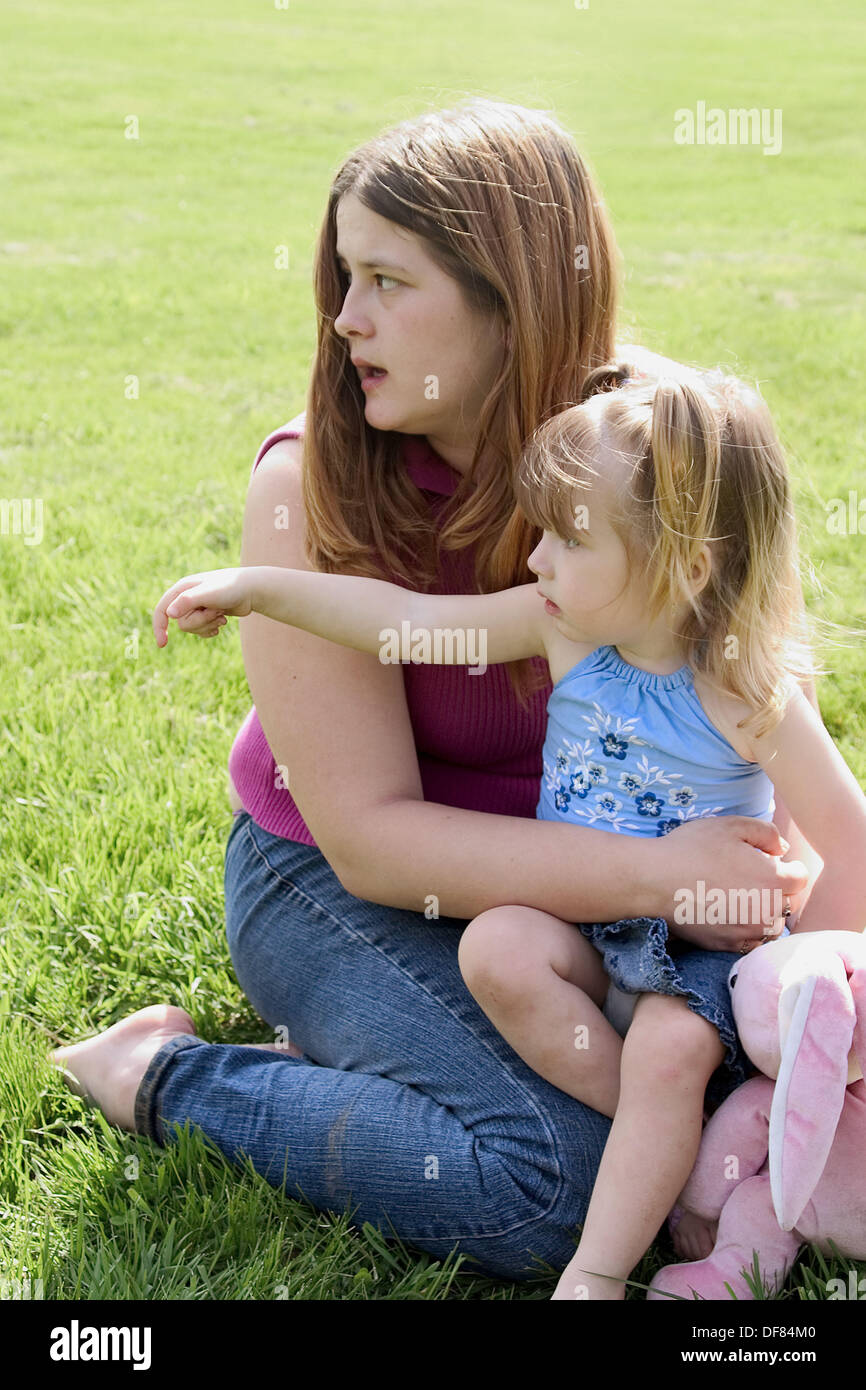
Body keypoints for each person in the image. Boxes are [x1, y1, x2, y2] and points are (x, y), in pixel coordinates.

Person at [51, 98, 815, 1286]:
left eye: (387, 281)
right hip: (345, 881)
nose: (343, 318)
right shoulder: (309, 483)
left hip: (586, 898)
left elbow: (773, 725)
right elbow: (371, 843)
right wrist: (667, 877)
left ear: (512, 299)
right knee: (558, 1184)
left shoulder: (650, 452)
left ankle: (387, 1050)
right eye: (342, 276)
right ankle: (161, 1072)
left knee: (727, 1096)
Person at [148, 361, 866, 1300]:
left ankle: (599, 1270)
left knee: (669, 1050)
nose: (536, 561)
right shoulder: (562, 626)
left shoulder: (745, 691)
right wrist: (260, 587)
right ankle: (674, 1142)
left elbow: (847, 840)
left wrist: (829, 998)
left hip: (691, 946)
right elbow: (407, 624)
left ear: (685, 567)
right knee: (497, 948)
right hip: (583, 914)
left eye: (569, 538)